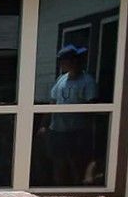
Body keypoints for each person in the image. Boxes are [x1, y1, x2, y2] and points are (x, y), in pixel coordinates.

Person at [40, 45, 98, 185]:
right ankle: (58, 190)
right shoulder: (61, 79)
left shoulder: (87, 81)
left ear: (74, 61)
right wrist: (44, 125)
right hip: (57, 130)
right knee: (58, 163)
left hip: (76, 131)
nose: (62, 64)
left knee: (76, 164)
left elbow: (92, 107)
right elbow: (53, 102)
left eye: (64, 61)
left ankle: (76, 190)